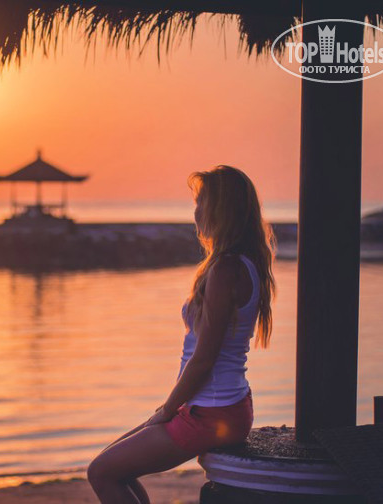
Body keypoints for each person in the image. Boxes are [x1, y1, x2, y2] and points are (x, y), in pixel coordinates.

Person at [87, 165, 276, 504]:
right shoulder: (243, 264)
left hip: (211, 413)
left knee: (101, 472)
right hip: (221, 406)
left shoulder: (226, 269)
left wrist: (167, 409)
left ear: (221, 209)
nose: (196, 211)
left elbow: (204, 358)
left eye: (202, 202)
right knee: (113, 465)